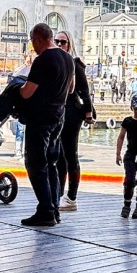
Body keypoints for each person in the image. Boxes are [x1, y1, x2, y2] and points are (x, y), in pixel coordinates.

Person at [18, 23, 75, 227]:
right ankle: (55, 208)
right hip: (58, 117)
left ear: (39, 39)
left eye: (33, 41)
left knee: (35, 163)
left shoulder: (42, 60)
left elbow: (27, 92)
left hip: (40, 119)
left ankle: (45, 210)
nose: (32, 45)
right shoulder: (68, 58)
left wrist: (16, 90)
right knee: (51, 163)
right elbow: (71, 89)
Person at [56, 32, 96, 212]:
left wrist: (88, 112)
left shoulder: (74, 64)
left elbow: (84, 91)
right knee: (59, 157)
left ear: (69, 44)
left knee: (70, 154)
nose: (59, 44)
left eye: (62, 42)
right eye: (56, 41)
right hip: (58, 111)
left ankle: (71, 197)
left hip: (71, 111)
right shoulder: (56, 62)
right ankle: (59, 194)